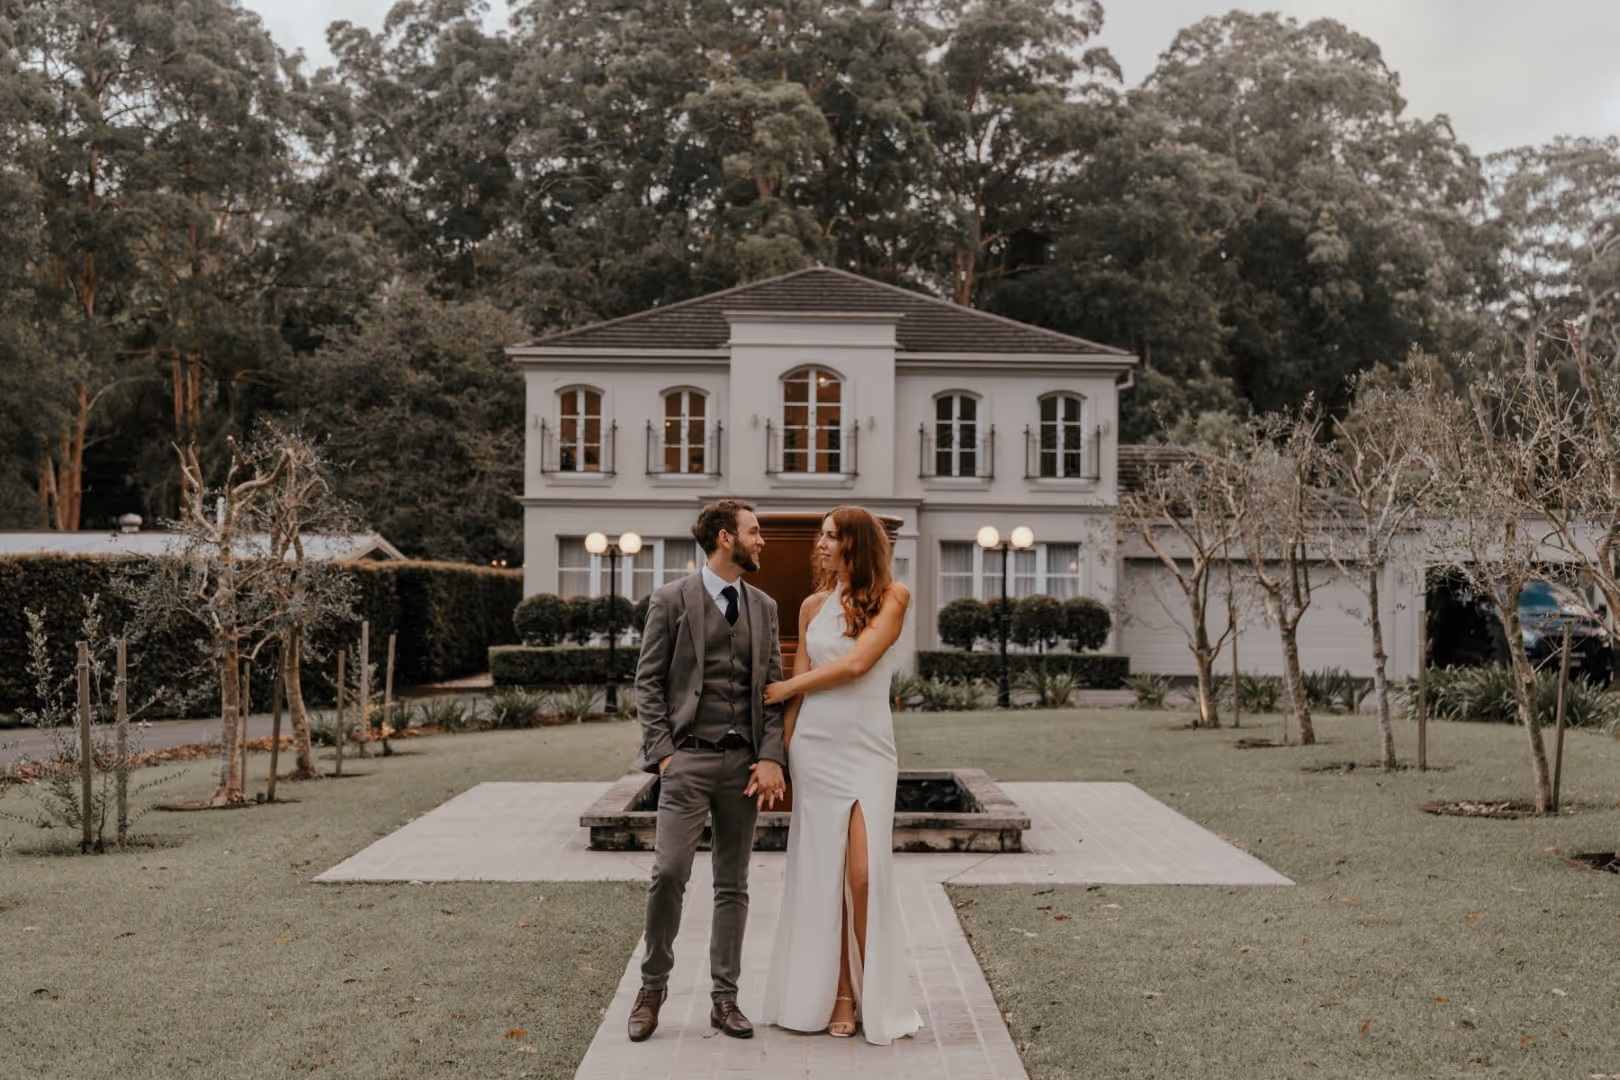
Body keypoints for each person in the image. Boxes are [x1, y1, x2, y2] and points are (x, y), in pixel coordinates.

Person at [626, 499, 788, 1042]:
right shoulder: (671, 599)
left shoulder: (764, 606)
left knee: (732, 883)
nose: (761, 540)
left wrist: (771, 756)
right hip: (688, 759)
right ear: (725, 538)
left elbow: (772, 690)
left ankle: (725, 998)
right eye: (754, 531)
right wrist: (665, 755)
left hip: (744, 764)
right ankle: (652, 988)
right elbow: (648, 682)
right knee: (669, 872)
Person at [760, 506, 924, 1044]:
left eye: (832, 537)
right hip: (815, 748)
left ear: (857, 544)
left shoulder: (894, 597)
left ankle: (878, 992)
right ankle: (841, 994)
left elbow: (856, 665)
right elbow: (800, 687)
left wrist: (787, 687)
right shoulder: (812, 606)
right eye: (822, 536)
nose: (822, 545)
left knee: (863, 874)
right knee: (823, 876)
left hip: (869, 750)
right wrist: (780, 756)